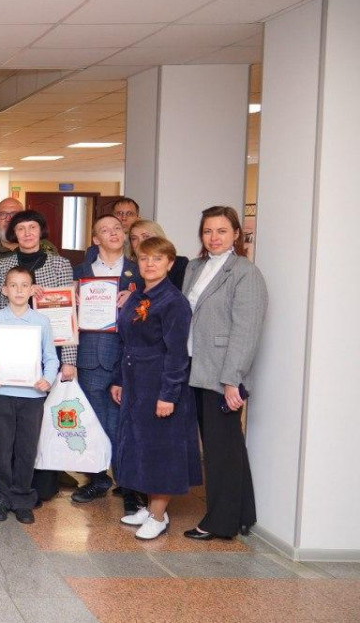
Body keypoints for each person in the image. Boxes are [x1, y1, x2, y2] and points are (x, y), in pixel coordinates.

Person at [182, 206, 267, 541]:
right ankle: (242, 514)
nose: (214, 238)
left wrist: (233, 379)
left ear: (236, 234)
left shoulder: (245, 272)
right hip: (195, 366)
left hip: (221, 373)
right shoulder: (195, 267)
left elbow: (246, 331)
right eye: (208, 231)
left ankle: (220, 522)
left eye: (221, 231)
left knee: (221, 450)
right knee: (225, 446)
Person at [0, 210, 78, 502]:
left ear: (41, 231)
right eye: (21, 228)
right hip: (9, 361)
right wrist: (21, 296)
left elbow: (68, 313)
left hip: (47, 357)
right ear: (14, 233)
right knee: (6, 436)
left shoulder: (60, 264)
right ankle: (4, 491)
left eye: (32, 227)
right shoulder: (4, 265)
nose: (27, 233)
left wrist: (68, 360)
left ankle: (34, 486)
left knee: (35, 431)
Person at [112, 237, 203, 540]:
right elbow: (125, 342)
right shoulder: (137, 296)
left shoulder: (174, 302)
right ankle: (150, 507)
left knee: (161, 451)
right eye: (144, 258)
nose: (150, 264)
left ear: (170, 263)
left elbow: (177, 354)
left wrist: (168, 395)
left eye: (157, 259)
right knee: (141, 447)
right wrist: (119, 380)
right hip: (135, 384)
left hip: (159, 385)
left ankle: (159, 515)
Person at [70, 215, 144, 511]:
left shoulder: (139, 271)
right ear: (95, 239)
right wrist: (71, 300)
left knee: (124, 424)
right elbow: (64, 314)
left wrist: (135, 298)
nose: (113, 233)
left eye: (117, 229)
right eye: (105, 230)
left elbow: (152, 309)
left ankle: (128, 484)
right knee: (95, 421)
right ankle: (98, 478)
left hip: (128, 358)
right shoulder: (80, 272)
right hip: (90, 356)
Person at [0, 266, 60, 524]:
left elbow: (50, 357)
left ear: (32, 290)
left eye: (25, 285)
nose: (19, 290)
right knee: (0, 448)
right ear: (4, 290)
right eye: (13, 285)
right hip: (2, 392)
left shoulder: (41, 321)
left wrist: (48, 379)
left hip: (32, 396)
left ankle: (22, 498)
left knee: (26, 448)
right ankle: (1, 498)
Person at [0, 197, 58, 292]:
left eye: (15, 214)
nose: (9, 219)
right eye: (2, 214)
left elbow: (57, 287)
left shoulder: (47, 248)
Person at [129, 220, 189, 289]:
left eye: (146, 236)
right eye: (134, 238)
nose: (140, 242)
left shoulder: (179, 263)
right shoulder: (128, 266)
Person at [83, 197, 142, 262]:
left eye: (129, 214)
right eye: (119, 213)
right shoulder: (93, 252)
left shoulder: (145, 246)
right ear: (112, 217)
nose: (124, 218)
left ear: (138, 219)